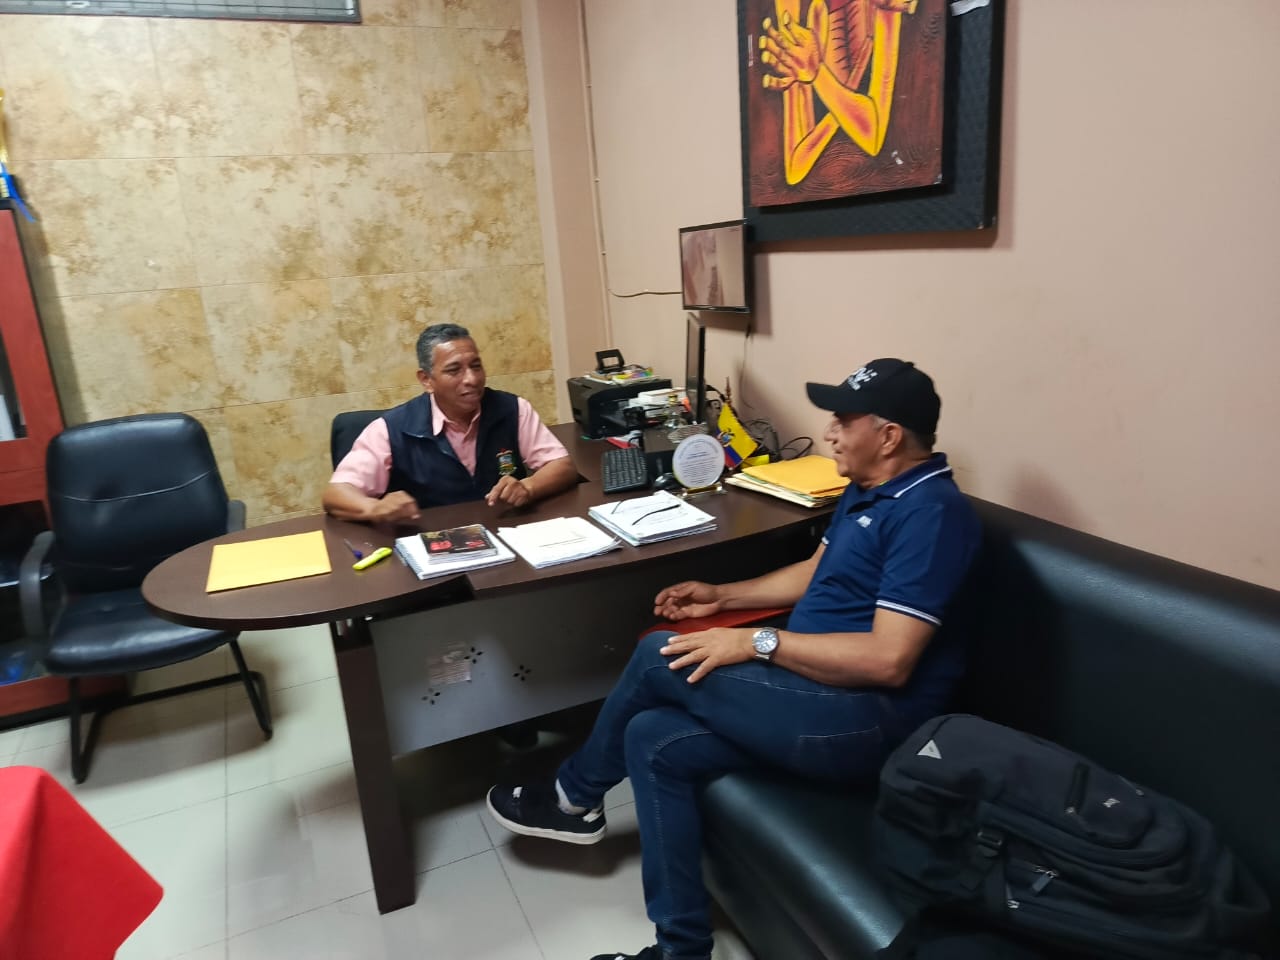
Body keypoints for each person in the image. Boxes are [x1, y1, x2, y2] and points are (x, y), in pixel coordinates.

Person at [485, 358, 982, 960]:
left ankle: (571, 797)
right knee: (650, 737)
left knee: (656, 655)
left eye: (843, 421)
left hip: (869, 720)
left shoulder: (932, 514)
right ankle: (682, 950)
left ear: (889, 436)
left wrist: (754, 641)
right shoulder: (870, 487)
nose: (829, 433)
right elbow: (816, 572)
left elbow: (888, 660)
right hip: (816, 692)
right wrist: (722, 596)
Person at [323, 323, 578, 522]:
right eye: (454, 370)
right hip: (433, 545)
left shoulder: (512, 409)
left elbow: (562, 465)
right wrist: (375, 508)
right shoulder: (390, 429)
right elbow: (336, 494)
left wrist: (528, 487)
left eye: (476, 366)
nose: (471, 379)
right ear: (426, 380)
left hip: (507, 536)